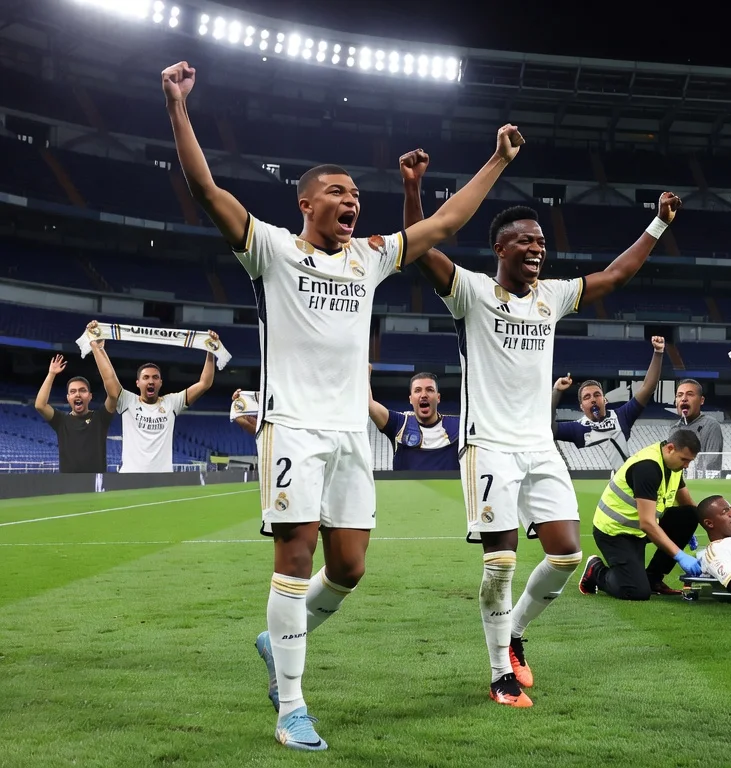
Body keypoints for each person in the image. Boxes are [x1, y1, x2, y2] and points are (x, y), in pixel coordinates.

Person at [163, 59, 522, 750]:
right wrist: (178, 106)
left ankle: (278, 640)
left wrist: (496, 161)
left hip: (352, 434)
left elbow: (446, 222)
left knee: (350, 567)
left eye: (356, 192)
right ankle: (292, 706)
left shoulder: (370, 256)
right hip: (291, 426)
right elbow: (206, 189)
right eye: (337, 191)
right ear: (306, 204)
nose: (351, 199)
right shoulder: (269, 248)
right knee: (295, 558)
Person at [401, 147, 681, 708]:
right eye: (526, 241)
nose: (537, 249)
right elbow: (420, 246)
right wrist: (413, 191)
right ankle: (499, 672)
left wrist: (657, 223)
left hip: (539, 445)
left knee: (565, 555)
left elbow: (617, 274)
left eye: (541, 243)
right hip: (488, 446)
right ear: (500, 248)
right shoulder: (473, 292)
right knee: (500, 561)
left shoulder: (552, 296)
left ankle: (517, 637)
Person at [578, 429, 703, 601]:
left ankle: (653, 579)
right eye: (684, 459)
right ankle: (596, 571)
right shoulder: (647, 467)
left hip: (637, 529)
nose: (687, 466)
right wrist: (679, 555)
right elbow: (647, 523)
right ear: (670, 448)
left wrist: (689, 530)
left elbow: (688, 504)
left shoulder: (673, 465)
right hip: (615, 532)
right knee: (636, 592)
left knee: (689, 515)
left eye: (690, 461)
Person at [551, 336, 665, 467]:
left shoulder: (622, 416)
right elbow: (548, 429)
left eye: (597, 395)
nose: (593, 399)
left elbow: (647, 388)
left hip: (622, 482)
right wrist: (557, 391)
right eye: (587, 397)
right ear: (581, 407)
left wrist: (658, 352)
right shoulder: (577, 427)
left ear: (604, 400)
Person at [115, 334, 219, 473]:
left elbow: (204, 383)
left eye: (155, 377)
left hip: (163, 481)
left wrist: (210, 351)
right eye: (146, 377)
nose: (151, 381)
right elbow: (109, 378)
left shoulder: (172, 402)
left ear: (160, 383)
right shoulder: (127, 401)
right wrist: (98, 348)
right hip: (129, 479)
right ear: (138, 383)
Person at [35, 350, 118, 475]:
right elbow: (40, 405)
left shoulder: (101, 417)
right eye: (73, 391)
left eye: (82, 390)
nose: (77, 394)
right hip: (68, 484)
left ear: (90, 396)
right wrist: (51, 374)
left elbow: (114, 395)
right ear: (68, 398)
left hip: (95, 483)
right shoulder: (61, 420)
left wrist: (98, 351)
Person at [369, 371, 459, 471]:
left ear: (438, 398)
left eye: (429, 390)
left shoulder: (458, 426)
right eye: (417, 390)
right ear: (411, 399)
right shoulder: (400, 424)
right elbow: (369, 404)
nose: (424, 395)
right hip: (405, 487)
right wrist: (362, 369)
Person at [674, 379, 723, 476]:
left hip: (703, 482)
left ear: (701, 400)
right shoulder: (674, 429)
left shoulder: (711, 425)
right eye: (679, 395)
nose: (684, 398)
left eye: (690, 394)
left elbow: (712, 461)